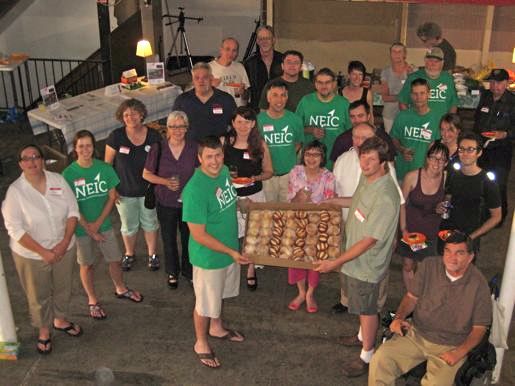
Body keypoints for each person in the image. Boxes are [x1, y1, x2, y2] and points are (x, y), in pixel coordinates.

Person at [316, 136, 400, 377]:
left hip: (366, 264)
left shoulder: (386, 196)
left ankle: (367, 355)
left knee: (368, 309)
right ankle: (362, 335)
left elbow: (369, 240)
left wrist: (336, 261)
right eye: (363, 157)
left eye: (371, 159)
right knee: (363, 306)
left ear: (384, 163)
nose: (365, 163)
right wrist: (333, 201)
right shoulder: (369, 178)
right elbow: (358, 202)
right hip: (354, 260)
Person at [369, 231, 492, 386]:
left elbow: (479, 328)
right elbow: (411, 297)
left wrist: (459, 352)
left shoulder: (479, 285)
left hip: (451, 345)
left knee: (437, 383)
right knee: (381, 359)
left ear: (470, 257)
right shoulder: (429, 266)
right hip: (417, 334)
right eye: (448, 251)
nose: (452, 258)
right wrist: (399, 318)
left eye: (459, 253)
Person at [2, 144, 82, 355]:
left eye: (36, 157)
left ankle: (60, 319)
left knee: (63, 287)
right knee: (39, 294)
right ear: (20, 164)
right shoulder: (15, 192)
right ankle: (44, 331)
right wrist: (43, 252)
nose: (32, 162)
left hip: (64, 247)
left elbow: (73, 210)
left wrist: (65, 242)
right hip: (31, 256)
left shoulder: (58, 180)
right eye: (26, 158)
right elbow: (15, 229)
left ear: (43, 160)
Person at [182, 136, 249, 369]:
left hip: (229, 250)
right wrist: (231, 252)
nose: (215, 161)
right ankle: (200, 342)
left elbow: (228, 200)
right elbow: (198, 234)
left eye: (218, 155)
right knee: (205, 303)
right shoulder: (195, 190)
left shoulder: (223, 173)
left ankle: (217, 327)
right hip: (209, 257)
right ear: (199, 158)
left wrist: (242, 204)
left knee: (219, 295)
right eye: (209, 156)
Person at [63, 130, 143, 319]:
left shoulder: (105, 168)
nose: (85, 149)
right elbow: (70, 205)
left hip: (104, 225)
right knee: (86, 265)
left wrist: (98, 224)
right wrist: (90, 229)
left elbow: (112, 197)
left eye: (89, 145)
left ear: (94, 147)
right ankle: (92, 300)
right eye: (81, 146)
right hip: (82, 229)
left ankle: (120, 288)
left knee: (115, 260)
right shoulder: (68, 174)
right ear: (75, 149)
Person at [142, 111, 197, 289]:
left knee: (190, 238)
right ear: (167, 129)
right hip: (165, 201)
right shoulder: (158, 148)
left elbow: (200, 172)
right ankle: (172, 272)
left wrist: (190, 190)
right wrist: (165, 182)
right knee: (169, 238)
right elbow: (146, 174)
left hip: (189, 203)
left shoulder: (194, 147)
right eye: (173, 126)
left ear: (187, 128)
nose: (177, 130)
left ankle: (189, 271)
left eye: (181, 126)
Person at [105, 98, 161, 271]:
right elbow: (107, 165)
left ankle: (152, 254)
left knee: (150, 223)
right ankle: (129, 253)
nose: (130, 117)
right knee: (128, 226)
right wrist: (111, 189)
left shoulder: (153, 136)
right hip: (124, 191)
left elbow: (161, 161)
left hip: (148, 190)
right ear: (122, 117)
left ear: (142, 114)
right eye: (126, 114)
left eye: (134, 113)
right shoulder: (116, 136)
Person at [223, 106, 273, 291]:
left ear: (253, 123)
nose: (242, 125)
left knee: (253, 233)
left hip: (254, 194)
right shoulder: (225, 141)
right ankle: (231, 265)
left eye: (247, 121)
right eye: (238, 121)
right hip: (230, 195)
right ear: (233, 123)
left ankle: (251, 268)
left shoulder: (260, 144)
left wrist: (255, 178)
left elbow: (269, 172)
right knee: (231, 231)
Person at [287, 140, 335, 313]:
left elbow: (330, 203)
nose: (311, 158)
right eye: (308, 154)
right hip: (297, 221)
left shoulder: (328, 176)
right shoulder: (295, 171)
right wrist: (298, 199)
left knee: (315, 259)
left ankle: (310, 293)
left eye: (316, 154)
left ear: (322, 157)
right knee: (297, 257)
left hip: (318, 224)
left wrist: (313, 205)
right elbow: (290, 201)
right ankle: (301, 292)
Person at [398, 142, 449, 291]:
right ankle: (411, 296)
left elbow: (448, 199)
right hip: (411, 228)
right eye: (434, 158)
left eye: (442, 159)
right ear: (427, 158)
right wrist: (403, 229)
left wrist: (443, 206)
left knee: (424, 267)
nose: (437, 162)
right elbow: (401, 203)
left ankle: (419, 298)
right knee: (408, 265)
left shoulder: (446, 178)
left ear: (446, 163)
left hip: (431, 230)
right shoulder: (412, 177)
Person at [439, 132, 501, 252]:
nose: (465, 153)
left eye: (470, 149)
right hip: (447, 232)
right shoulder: (454, 173)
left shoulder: (487, 183)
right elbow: (449, 196)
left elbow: (496, 217)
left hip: (469, 237)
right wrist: (442, 206)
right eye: (461, 149)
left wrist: (471, 237)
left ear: (479, 152)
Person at [474, 68, 515, 225]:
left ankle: (499, 217)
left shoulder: (512, 102)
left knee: (499, 184)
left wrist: (504, 134)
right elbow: (478, 119)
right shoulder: (485, 97)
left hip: (501, 149)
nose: (495, 85)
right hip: (483, 147)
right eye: (492, 82)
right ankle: (484, 213)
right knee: (482, 181)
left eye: (498, 82)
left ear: (506, 83)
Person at [257, 79, 304, 202]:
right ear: (268, 98)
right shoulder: (258, 121)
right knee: (269, 213)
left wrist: (285, 157)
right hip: (267, 177)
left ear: (287, 97)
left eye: (283, 95)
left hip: (288, 176)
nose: (279, 100)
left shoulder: (295, 120)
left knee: (287, 213)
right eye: (275, 95)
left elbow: (298, 143)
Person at [296, 67, 351, 170]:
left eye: (327, 82)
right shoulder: (306, 101)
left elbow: (350, 132)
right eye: (320, 82)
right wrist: (311, 130)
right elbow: (295, 129)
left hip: (336, 161)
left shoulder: (344, 104)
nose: (323, 86)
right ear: (315, 84)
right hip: (311, 162)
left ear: (334, 84)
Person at [391, 78, 442, 181]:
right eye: (415, 94)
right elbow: (394, 138)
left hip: (424, 175)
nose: (418, 97)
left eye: (422, 93)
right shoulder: (402, 116)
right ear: (411, 95)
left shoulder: (437, 118)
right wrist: (402, 149)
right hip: (403, 172)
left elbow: (437, 146)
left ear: (429, 94)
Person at [172, 62, 236, 142]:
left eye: (205, 77)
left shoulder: (226, 99)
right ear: (192, 80)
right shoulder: (182, 101)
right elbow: (173, 128)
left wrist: (228, 140)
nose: (200, 81)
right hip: (190, 149)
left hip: (217, 149)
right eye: (197, 78)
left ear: (211, 78)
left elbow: (236, 125)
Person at [398, 48, 458, 121]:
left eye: (436, 61)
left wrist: (449, 122)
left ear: (442, 63)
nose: (433, 64)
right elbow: (402, 102)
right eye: (430, 61)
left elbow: (453, 104)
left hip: (441, 126)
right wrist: (410, 120)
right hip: (419, 124)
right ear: (425, 61)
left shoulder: (448, 79)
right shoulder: (413, 78)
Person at [329, 100, 396, 163]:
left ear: (368, 116)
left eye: (360, 116)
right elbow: (336, 167)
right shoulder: (342, 139)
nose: (356, 120)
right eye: (352, 117)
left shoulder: (383, 137)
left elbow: (390, 164)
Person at [244, 25, 283, 111]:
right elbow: (247, 91)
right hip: (258, 111)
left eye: (267, 38)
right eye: (261, 39)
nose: (264, 42)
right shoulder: (250, 63)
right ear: (257, 41)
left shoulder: (283, 60)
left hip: (281, 109)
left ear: (273, 40)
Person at [381, 42, 413, 133]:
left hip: (408, 113)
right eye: (394, 51)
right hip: (390, 114)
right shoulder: (385, 72)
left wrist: (396, 97)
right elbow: (385, 97)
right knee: (391, 141)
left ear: (405, 54)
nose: (397, 54)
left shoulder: (413, 71)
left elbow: (416, 94)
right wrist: (403, 97)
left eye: (400, 51)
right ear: (390, 54)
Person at [209, 37, 250, 107]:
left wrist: (243, 92)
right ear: (221, 50)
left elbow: (247, 97)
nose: (231, 53)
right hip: (217, 111)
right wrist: (210, 87)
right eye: (227, 49)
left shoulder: (240, 67)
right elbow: (198, 95)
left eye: (234, 50)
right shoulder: (208, 68)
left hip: (237, 111)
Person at [341, 61, 374, 125]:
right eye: (354, 74)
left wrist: (371, 130)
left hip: (361, 130)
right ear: (349, 75)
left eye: (360, 74)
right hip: (344, 130)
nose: (357, 78)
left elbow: (370, 115)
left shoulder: (367, 93)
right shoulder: (339, 93)